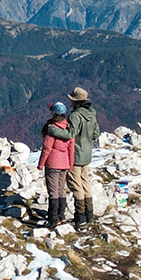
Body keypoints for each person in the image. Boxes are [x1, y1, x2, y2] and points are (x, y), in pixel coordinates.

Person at [46, 87, 100, 228]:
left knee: (76, 185)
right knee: (85, 182)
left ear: (75, 101)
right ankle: (89, 215)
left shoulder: (75, 116)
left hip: (76, 155)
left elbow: (70, 134)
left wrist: (52, 129)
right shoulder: (92, 114)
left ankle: (80, 217)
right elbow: (96, 134)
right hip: (87, 154)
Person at [37, 101, 75, 229]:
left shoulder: (52, 128)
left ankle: (53, 218)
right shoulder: (69, 128)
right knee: (61, 189)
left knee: (53, 191)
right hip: (64, 163)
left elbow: (47, 148)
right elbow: (71, 148)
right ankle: (61, 216)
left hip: (53, 163)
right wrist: (70, 163)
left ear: (54, 113)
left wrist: (41, 164)